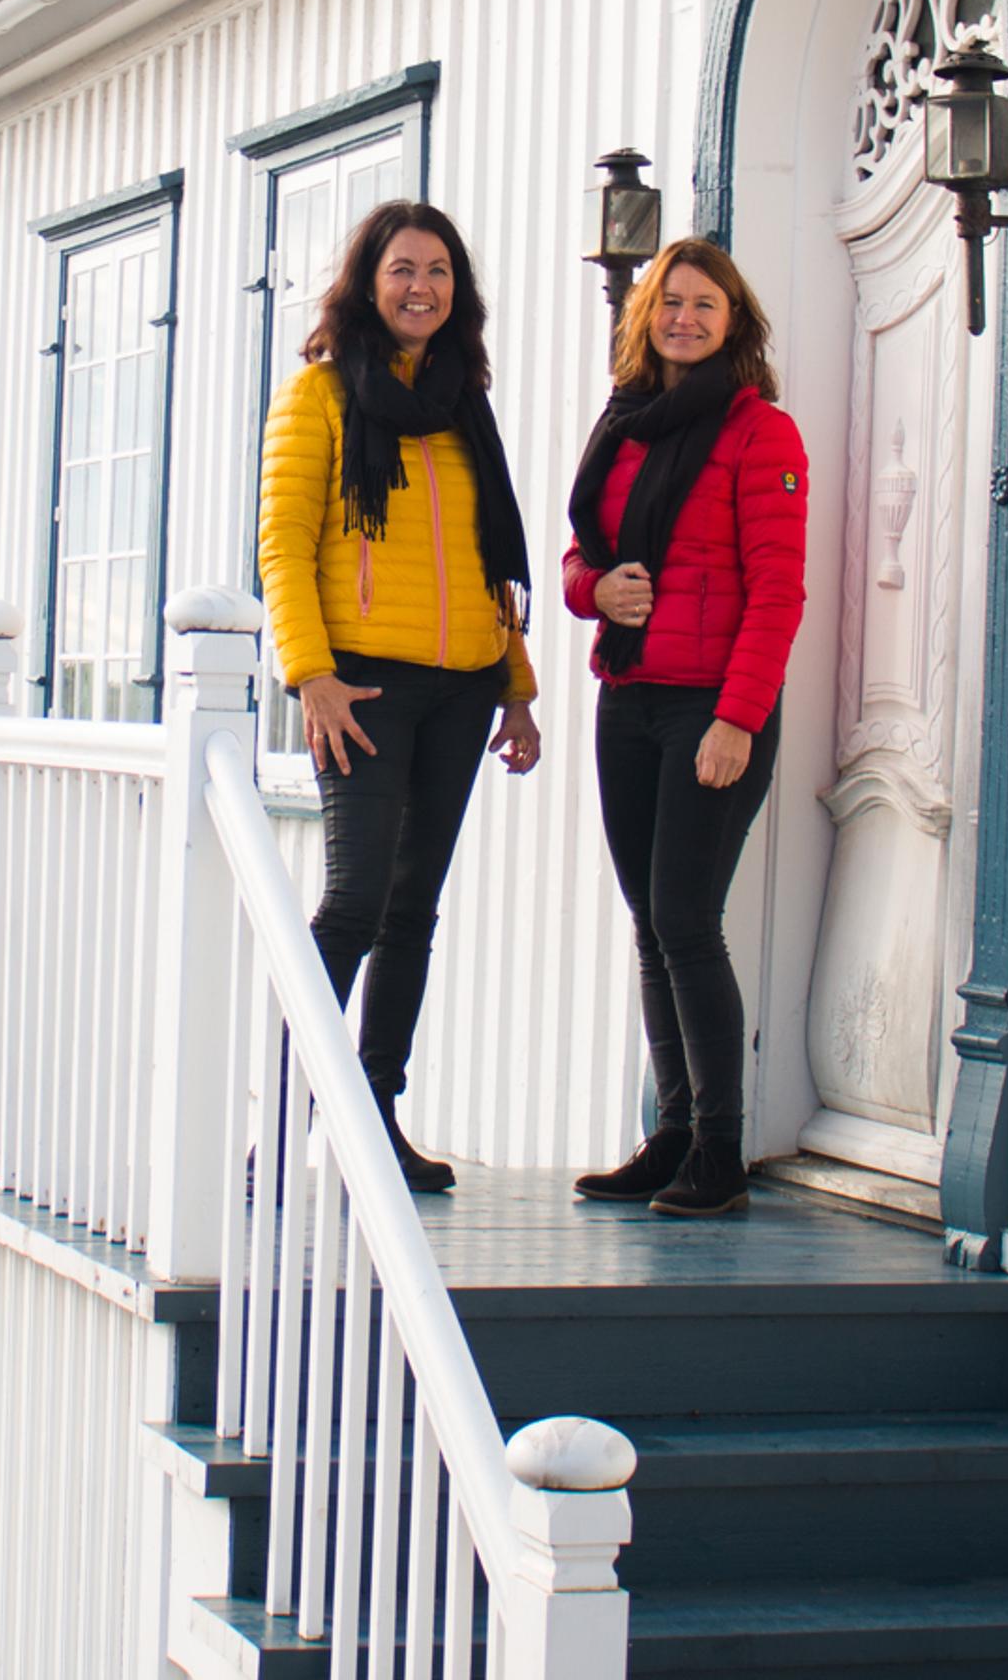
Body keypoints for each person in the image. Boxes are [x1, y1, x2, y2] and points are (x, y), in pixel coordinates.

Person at [258, 201, 543, 1192]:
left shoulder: (467, 401)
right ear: (367, 282)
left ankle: (374, 1122)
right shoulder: (321, 395)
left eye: (438, 272)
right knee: (352, 904)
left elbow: (489, 558)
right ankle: (281, 1129)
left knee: (412, 909)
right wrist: (311, 673)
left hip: (464, 685)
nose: (421, 287)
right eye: (402, 270)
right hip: (362, 685)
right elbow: (285, 545)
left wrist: (517, 688)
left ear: (456, 291)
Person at [560, 237, 810, 1218]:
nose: (685, 318)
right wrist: (594, 590)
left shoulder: (762, 435)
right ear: (645, 317)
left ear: (733, 322)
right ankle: (669, 1136)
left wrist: (738, 720)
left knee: (685, 923)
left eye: (706, 304)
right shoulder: (622, 427)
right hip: (627, 702)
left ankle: (719, 1153)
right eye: (670, 302)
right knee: (652, 929)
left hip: (713, 706)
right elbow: (586, 552)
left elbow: (777, 593)